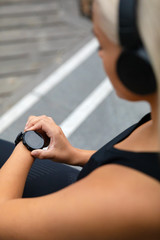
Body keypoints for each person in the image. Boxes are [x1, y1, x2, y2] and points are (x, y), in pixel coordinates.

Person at [0, 0, 160, 239]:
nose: (99, 54)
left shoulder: (133, 200)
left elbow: (3, 219)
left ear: (136, 66)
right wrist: (76, 155)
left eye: (102, 45)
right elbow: (137, 160)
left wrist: (27, 142)